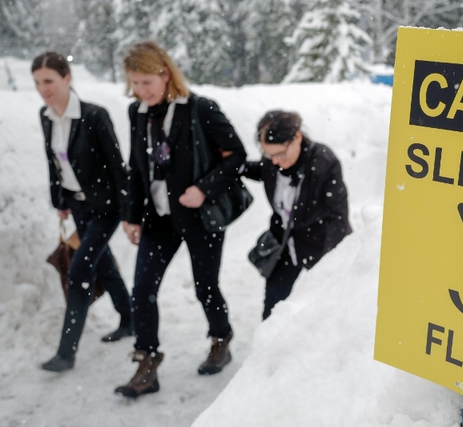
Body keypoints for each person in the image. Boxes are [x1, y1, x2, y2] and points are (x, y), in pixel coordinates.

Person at [116, 41, 246, 398]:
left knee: (206, 287)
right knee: (142, 290)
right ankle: (147, 363)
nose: (142, 92)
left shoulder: (200, 108)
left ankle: (221, 339)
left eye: (147, 82)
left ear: (165, 73)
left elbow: (237, 155)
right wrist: (131, 216)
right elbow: (136, 167)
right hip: (158, 218)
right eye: (135, 84)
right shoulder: (137, 112)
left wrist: (204, 188)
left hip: (199, 217)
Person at [33, 51, 133, 373]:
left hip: (106, 208)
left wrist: (129, 211)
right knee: (103, 264)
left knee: (79, 270)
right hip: (77, 204)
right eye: (37, 82)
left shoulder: (94, 115)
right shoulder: (46, 116)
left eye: (48, 80)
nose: (43, 88)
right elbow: (54, 162)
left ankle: (66, 352)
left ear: (67, 78)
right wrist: (59, 200)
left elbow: (118, 167)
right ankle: (129, 319)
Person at [243, 110, 352, 320]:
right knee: (272, 310)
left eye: (280, 154)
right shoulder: (273, 162)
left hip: (319, 243)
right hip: (285, 243)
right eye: (269, 155)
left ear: (297, 138)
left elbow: (337, 217)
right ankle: (269, 347)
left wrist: (331, 265)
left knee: (321, 310)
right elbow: (261, 170)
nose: (274, 161)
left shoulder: (323, 163)